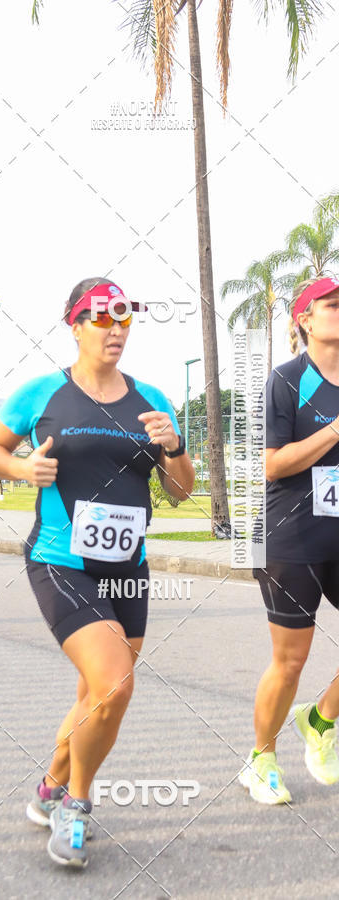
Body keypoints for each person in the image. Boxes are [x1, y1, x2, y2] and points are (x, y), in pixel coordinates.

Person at [0, 278, 194, 868]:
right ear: (75, 325)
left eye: (124, 317)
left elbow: (179, 490)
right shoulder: (44, 393)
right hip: (60, 560)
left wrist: (174, 447)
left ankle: (49, 786)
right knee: (115, 683)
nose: (116, 327)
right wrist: (24, 470)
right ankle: (75, 804)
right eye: (102, 317)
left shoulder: (152, 398)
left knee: (95, 693)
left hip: (128, 567)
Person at [241, 276, 339, 805]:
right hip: (291, 536)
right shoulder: (285, 380)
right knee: (291, 661)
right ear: (304, 318)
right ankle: (262, 758)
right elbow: (273, 465)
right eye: (333, 304)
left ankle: (320, 718)